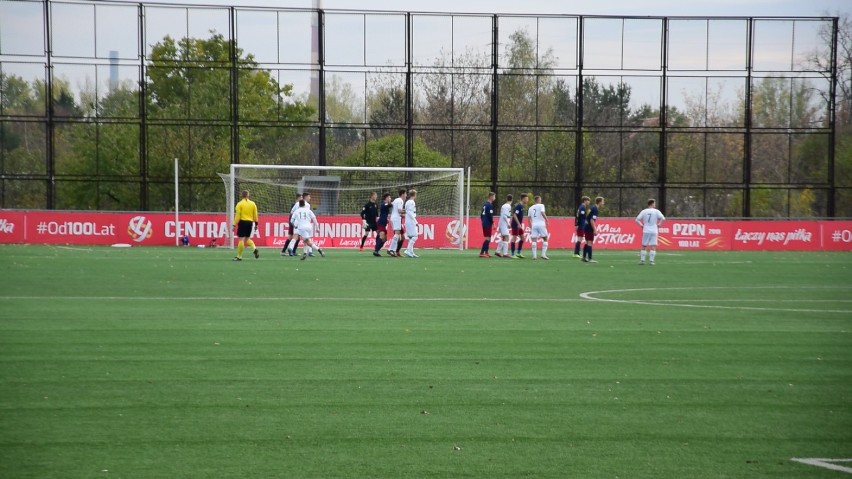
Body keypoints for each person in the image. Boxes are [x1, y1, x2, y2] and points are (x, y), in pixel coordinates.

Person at [635, 198, 666, 265]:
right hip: (654, 230)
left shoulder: (644, 211)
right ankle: (651, 261)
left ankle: (642, 261)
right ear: (652, 204)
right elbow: (663, 218)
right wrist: (659, 225)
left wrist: (641, 225)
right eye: (654, 203)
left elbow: (637, 219)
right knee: (653, 246)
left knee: (644, 245)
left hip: (646, 230)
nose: (655, 204)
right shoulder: (656, 211)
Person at [233, 190, 259, 261]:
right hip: (250, 223)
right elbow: (255, 215)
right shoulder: (253, 204)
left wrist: (234, 224)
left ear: (242, 196)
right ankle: (254, 249)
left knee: (241, 239)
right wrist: (256, 224)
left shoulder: (239, 204)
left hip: (242, 222)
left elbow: (237, 215)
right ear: (248, 195)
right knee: (247, 238)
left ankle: (239, 256)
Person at [582, 196, 605, 263]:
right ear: (599, 202)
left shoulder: (592, 207)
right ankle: (590, 258)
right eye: (603, 202)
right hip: (589, 227)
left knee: (587, 242)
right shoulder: (595, 209)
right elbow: (592, 220)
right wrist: (595, 229)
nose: (603, 203)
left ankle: (584, 257)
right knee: (590, 242)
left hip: (586, 226)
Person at [528, 195, 549, 260]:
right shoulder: (541, 205)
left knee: (534, 240)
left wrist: (530, 226)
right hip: (541, 224)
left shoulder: (530, 208)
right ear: (539, 200)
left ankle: (534, 256)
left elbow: (529, 219)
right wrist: (546, 219)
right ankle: (543, 254)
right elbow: (542, 212)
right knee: (545, 238)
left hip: (534, 224)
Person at [386, 189, 407, 257]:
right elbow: (399, 210)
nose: (406, 196)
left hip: (393, 218)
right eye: (405, 194)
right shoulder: (400, 200)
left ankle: (393, 250)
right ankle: (391, 249)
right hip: (396, 219)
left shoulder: (396, 200)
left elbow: (391, 205)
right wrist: (408, 211)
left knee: (398, 235)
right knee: (397, 234)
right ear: (403, 194)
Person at [510, 193, 529, 258]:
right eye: (526, 199)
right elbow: (514, 215)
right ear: (523, 199)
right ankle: (512, 254)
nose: (527, 200)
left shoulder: (522, 206)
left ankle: (518, 253)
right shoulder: (518, 206)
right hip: (515, 224)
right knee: (514, 238)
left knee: (523, 238)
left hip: (519, 225)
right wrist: (518, 224)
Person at [373, 192, 392, 257]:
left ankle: (377, 250)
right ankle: (376, 250)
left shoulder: (386, 204)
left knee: (385, 239)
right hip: (380, 223)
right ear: (386, 198)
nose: (390, 198)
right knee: (382, 236)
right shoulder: (383, 204)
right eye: (389, 197)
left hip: (383, 224)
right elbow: (389, 205)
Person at [479, 192, 496, 258]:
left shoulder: (485, 204)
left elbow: (481, 215)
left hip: (485, 222)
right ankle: (482, 252)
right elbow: (490, 215)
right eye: (494, 196)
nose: (495, 198)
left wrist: (483, 221)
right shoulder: (490, 205)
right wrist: (493, 223)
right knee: (487, 238)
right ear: (491, 197)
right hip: (487, 223)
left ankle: (486, 252)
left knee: (489, 237)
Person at [403, 189, 419, 258]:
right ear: (414, 195)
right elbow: (409, 212)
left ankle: (411, 252)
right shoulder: (411, 202)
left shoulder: (408, 202)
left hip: (408, 220)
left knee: (411, 237)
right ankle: (407, 250)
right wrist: (415, 221)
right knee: (415, 236)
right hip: (410, 221)